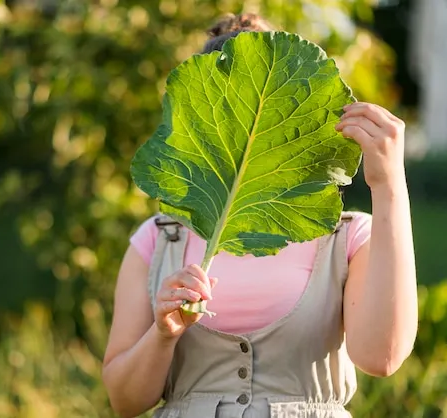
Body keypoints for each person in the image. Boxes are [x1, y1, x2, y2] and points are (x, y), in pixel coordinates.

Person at [102, 13, 418, 418]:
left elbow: (382, 357)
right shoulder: (158, 238)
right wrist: (163, 335)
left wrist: (390, 186)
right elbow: (124, 401)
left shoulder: (348, 237)